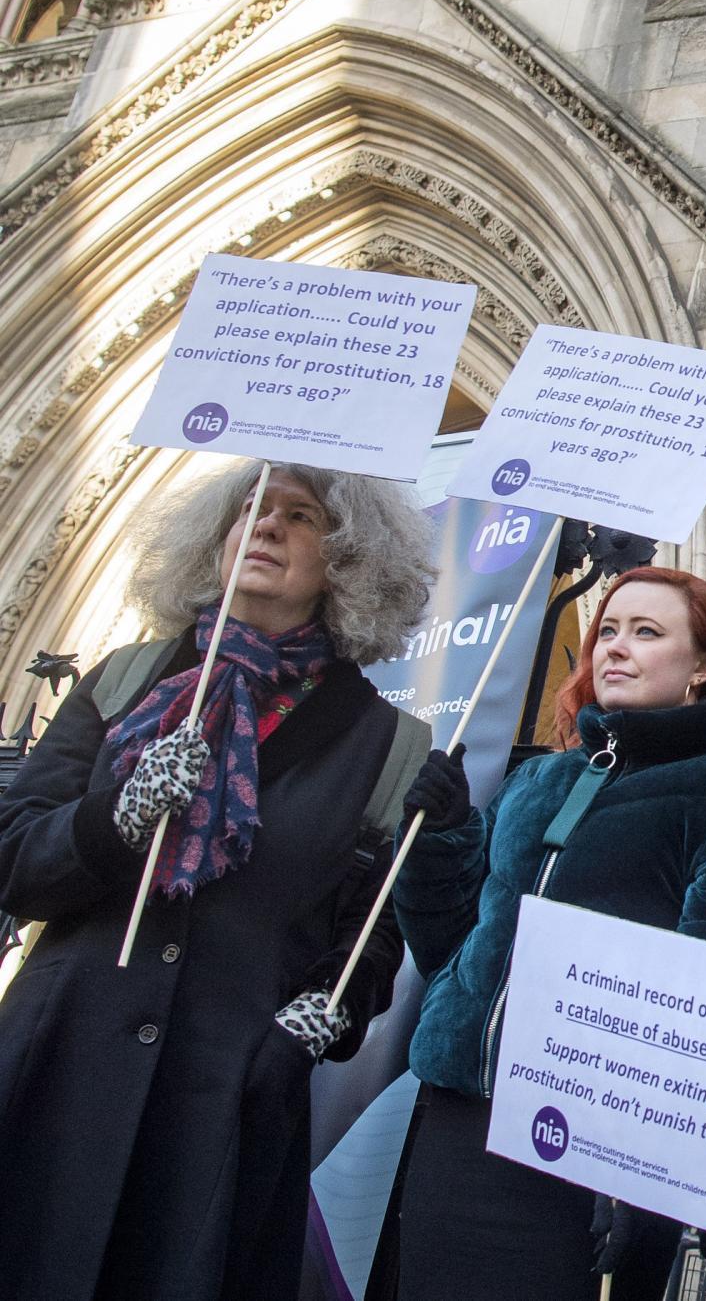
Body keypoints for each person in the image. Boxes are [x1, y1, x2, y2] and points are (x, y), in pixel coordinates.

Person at [0, 460, 435, 1301]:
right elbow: (15, 861)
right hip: (59, 1079)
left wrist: (326, 1013)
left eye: (299, 516)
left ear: (348, 560)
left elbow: (370, 937)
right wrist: (117, 819)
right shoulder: (125, 682)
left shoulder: (388, 746)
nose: (264, 526)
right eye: (250, 509)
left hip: (219, 1113)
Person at [392, 565, 706, 1301]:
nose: (615, 647)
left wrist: (648, 1180)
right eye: (608, 630)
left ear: (704, 665)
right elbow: (453, 950)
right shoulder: (540, 780)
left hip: (591, 1148)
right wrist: (440, 842)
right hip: (458, 1120)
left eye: (646, 632)